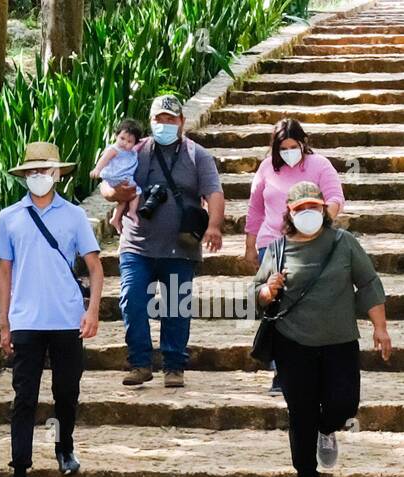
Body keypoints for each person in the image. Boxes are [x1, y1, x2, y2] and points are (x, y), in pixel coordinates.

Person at [253, 181, 390, 477]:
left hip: (339, 340)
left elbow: (368, 283)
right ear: (289, 212)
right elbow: (256, 292)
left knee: (344, 404)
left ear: (323, 209)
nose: (309, 213)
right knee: (300, 412)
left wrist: (380, 328)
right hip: (292, 342)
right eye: (301, 209)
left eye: (314, 207)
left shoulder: (344, 243)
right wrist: (266, 291)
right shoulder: (278, 249)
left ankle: (326, 429)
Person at [0, 141, 103, 477]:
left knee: (67, 391)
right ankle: (19, 473)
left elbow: (95, 266)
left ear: (57, 174)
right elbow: (3, 272)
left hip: (67, 318)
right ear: (25, 176)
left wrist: (92, 310)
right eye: (33, 172)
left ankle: (64, 445)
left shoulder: (73, 216)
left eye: (45, 171)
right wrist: (4, 323)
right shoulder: (9, 217)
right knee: (24, 398)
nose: (39, 177)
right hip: (25, 320)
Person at [102, 93, 225, 389]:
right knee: (132, 300)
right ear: (151, 121)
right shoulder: (136, 151)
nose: (165, 124)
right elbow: (107, 185)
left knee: (175, 305)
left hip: (180, 246)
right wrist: (117, 194)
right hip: (137, 244)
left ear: (181, 121)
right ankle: (140, 362)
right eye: (159, 119)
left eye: (171, 119)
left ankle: (174, 365)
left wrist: (215, 226)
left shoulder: (197, 155)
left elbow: (214, 193)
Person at [245, 118, 345, 395]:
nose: (289, 151)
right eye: (283, 147)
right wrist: (250, 245)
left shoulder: (320, 165)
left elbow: (336, 197)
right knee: (275, 307)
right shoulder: (266, 168)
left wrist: (319, 225)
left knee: (301, 307)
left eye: (293, 146)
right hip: (272, 243)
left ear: (303, 143)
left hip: (307, 243)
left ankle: (309, 366)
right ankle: (280, 369)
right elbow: (255, 210)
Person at [91, 118, 144, 232]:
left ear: (135, 143)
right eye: (122, 138)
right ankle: (132, 212)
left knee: (123, 200)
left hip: (120, 179)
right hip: (116, 177)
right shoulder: (114, 149)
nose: (124, 143)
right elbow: (104, 159)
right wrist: (97, 169)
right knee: (136, 193)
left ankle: (115, 218)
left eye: (129, 142)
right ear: (116, 135)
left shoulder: (131, 153)